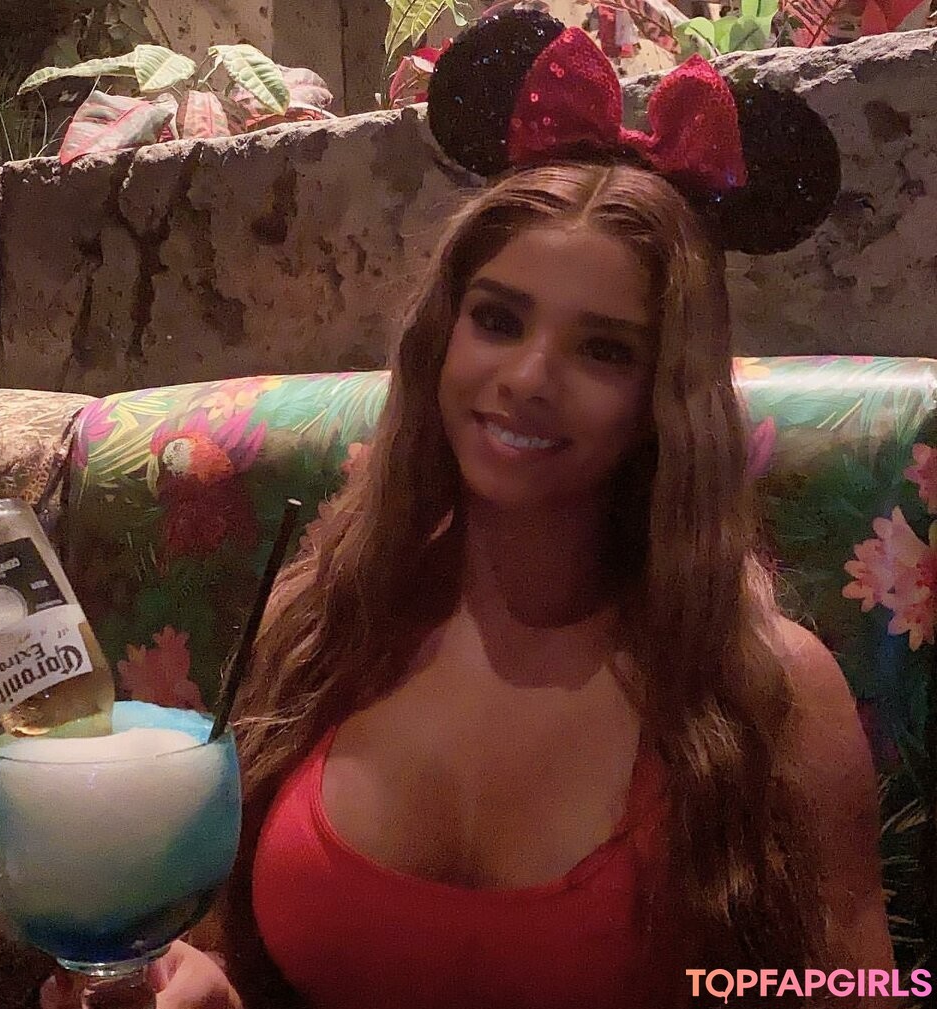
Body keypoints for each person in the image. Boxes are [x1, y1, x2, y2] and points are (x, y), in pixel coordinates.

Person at [45, 14, 895, 1009]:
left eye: (604, 349)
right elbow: (236, 953)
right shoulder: (320, 623)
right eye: (497, 319)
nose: (528, 377)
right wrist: (206, 990)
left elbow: (860, 985)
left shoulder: (770, 689)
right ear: (440, 340)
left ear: (667, 397)